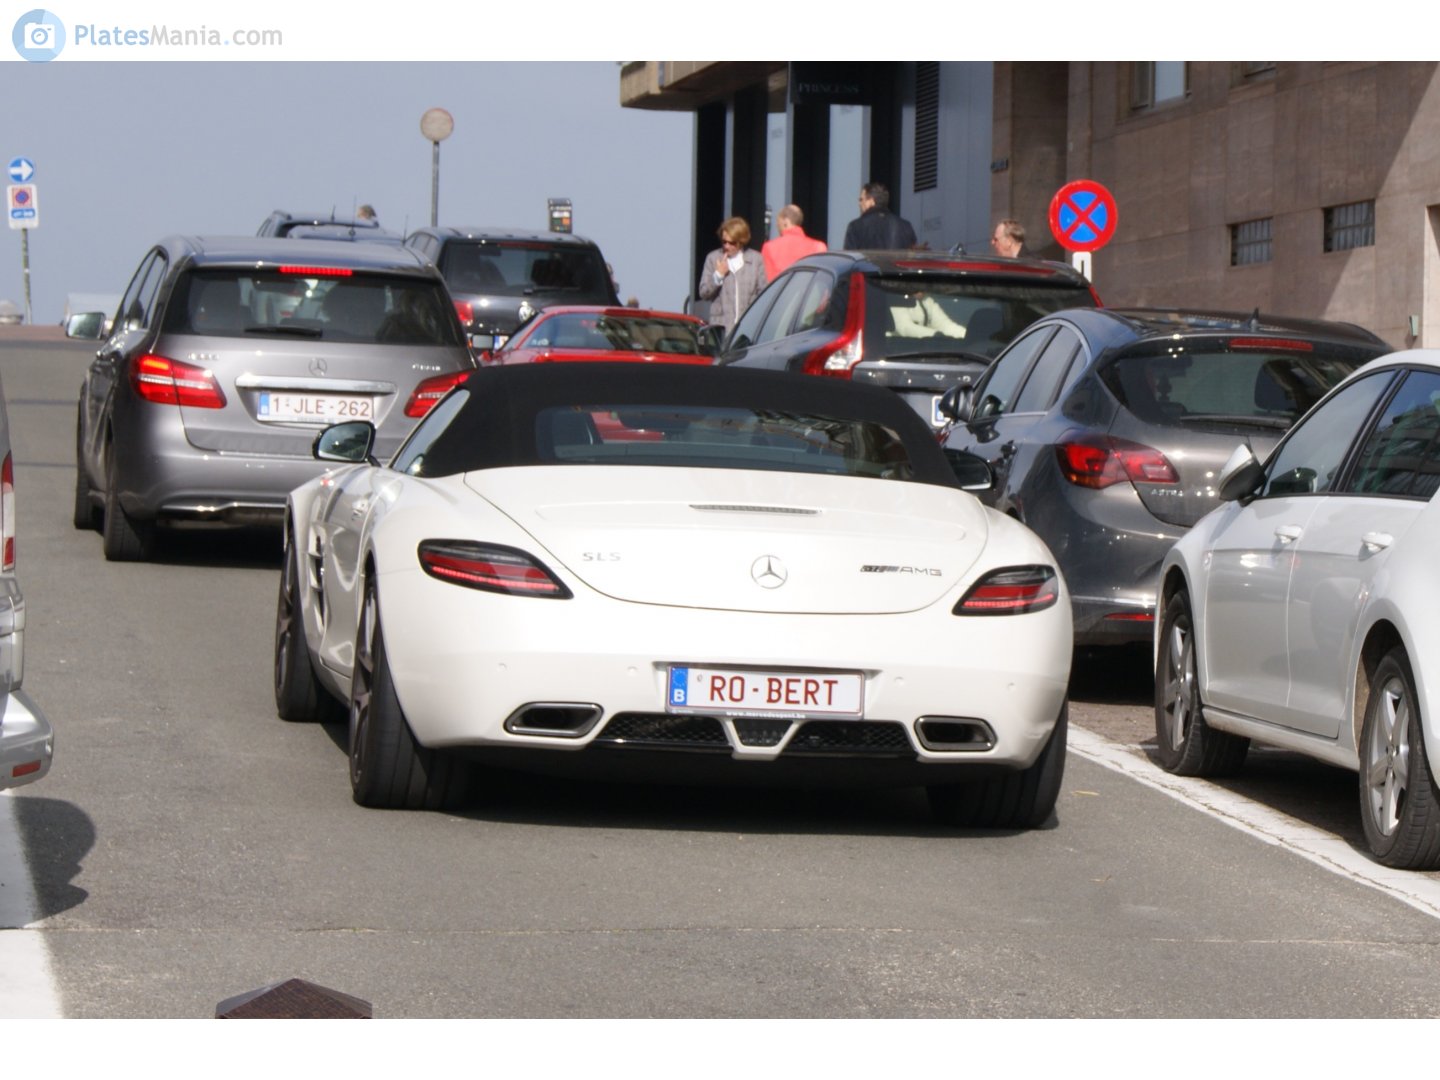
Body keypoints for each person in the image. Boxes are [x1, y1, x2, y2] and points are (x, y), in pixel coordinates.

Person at [697, 216, 767, 332]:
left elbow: (763, 293)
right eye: (724, 242)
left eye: (732, 243)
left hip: (747, 330)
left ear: (741, 241)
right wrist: (718, 275)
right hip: (721, 329)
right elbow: (703, 292)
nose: (727, 246)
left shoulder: (755, 260)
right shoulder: (713, 258)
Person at [843, 182, 918, 251]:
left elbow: (850, 261)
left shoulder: (855, 227)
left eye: (861, 199)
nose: (859, 203)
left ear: (871, 201)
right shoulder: (905, 226)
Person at [761, 204, 826, 279]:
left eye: (778, 221)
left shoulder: (769, 247)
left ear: (785, 221)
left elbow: (767, 281)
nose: (777, 225)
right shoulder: (818, 247)